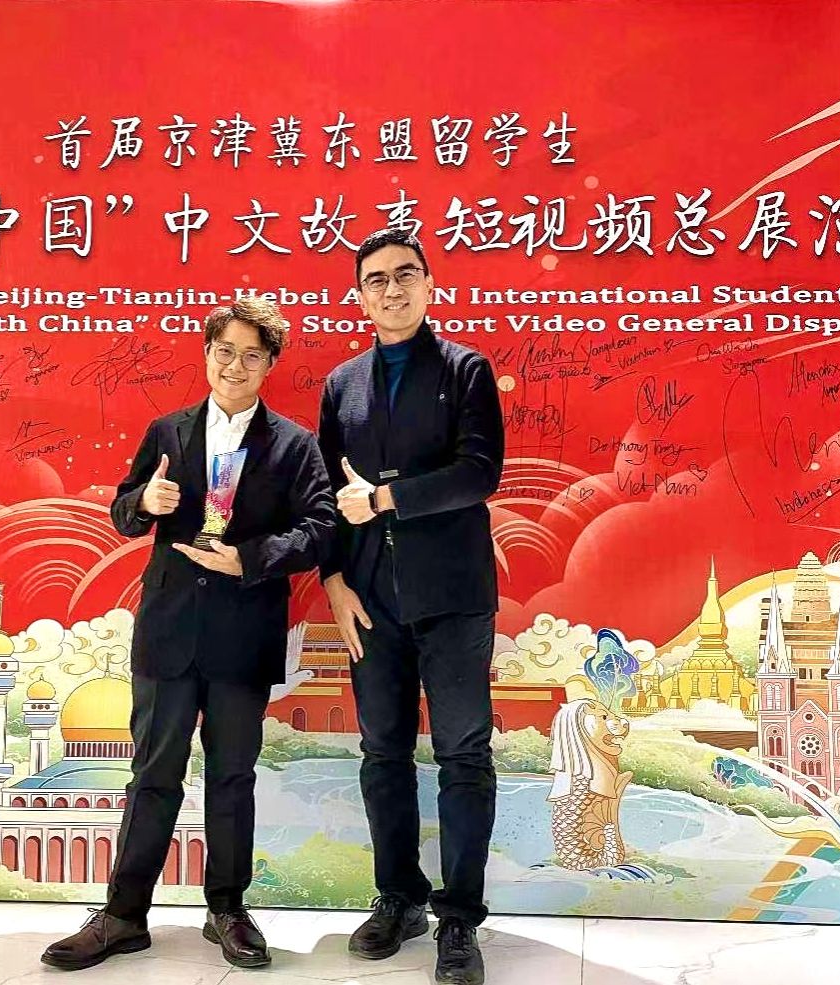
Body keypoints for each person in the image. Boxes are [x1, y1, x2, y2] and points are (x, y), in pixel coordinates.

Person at [42, 298, 336, 972]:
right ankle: (123, 915)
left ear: (269, 364)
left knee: (232, 777)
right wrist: (144, 502)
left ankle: (227, 909)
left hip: (244, 635)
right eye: (225, 351)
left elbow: (322, 529)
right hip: (169, 631)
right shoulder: (167, 431)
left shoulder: (294, 445)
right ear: (207, 354)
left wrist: (250, 557)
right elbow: (122, 511)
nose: (235, 365)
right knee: (153, 774)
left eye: (252, 355)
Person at [317, 228, 504, 985]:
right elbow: (326, 495)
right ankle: (399, 898)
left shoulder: (465, 369)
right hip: (370, 599)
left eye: (405, 275)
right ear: (359, 297)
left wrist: (387, 498)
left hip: (454, 595)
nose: (391, 290)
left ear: (429, 284)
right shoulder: (342, 384)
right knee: (383, 752)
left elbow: (480, 473)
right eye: (376, 280)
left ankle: (459, 918)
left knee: (463, 754)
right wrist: (334, 580)